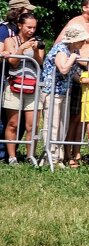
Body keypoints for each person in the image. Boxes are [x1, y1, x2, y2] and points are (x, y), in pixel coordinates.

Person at [39, 24, 89, 167]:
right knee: (53, 125)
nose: (83, 42)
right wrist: (73, 57)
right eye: (81, 40)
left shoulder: (72, 50)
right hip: (52, 93)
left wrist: (86, 81)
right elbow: (63, 69)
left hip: (64, 92)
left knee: (62, 126)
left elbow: (73, 73)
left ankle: (59, 157)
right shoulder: (61, 50)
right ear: (73, 40)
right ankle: (52, 157)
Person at [2, 12, 44, 163]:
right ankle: (12, 157)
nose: (31, 31)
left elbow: (40, 62)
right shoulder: (10, 40)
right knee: (13, 123)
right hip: (14, 85)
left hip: (33, 86)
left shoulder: (38, 41)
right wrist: (21, 48)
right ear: (20, 25)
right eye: (28, 27)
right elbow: (12, 62)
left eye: (34, 28)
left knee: (32, 126)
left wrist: (36, 50)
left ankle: (30, 156)